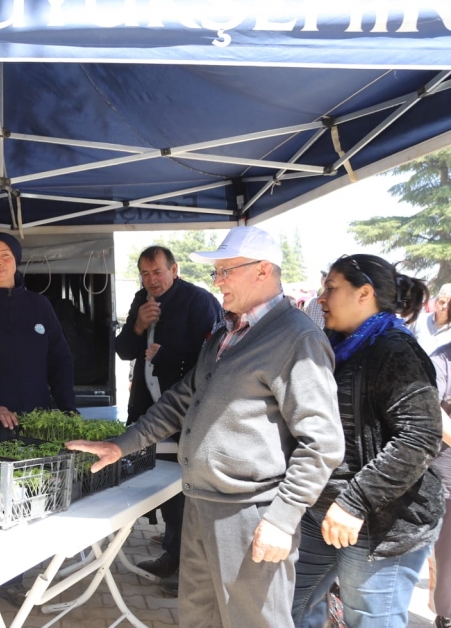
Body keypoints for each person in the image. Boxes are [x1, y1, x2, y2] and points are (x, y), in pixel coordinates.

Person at [68, 226, 344, 628]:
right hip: (199, 504)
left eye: (226, 271)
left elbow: (322, 443)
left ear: (263, 271)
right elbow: (180, 400)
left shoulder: (296, 337)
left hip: (250, 514)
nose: (217, 282)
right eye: (217, 272)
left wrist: (282, 519)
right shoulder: (227, 332)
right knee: (198, 617)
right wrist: (121, 445)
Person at [291, 255, 442, 628]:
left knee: (370, 620)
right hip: (321, 509)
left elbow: (420, 437)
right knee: (288, 606)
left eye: (331, 288)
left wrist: (354, 503)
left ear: (364, 293)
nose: (321, 298)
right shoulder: (338, 345)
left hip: (380, 523)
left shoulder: (394, 349)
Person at [113, 245, 221, 592]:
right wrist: (138, 325)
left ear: (174, 270)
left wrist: (168, 354)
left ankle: (186, 568)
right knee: (166, 486)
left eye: (157, 272)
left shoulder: (198, 301)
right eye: (145, 274)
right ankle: (173, 554)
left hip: (187, 413)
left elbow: (212, 356)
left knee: (186, 489)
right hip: (150, 412)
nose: (152, 280)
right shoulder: (140, 300)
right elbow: (123, 350)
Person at [0, 231, 76, 429]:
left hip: (34, 420)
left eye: (5, 255)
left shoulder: (39, 305)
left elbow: (60, 359)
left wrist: (68, 409)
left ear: (16, 259)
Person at [431, 341, 451, 628]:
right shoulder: (442, 359)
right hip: (445, 475)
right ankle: (446, 613)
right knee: (447, 552)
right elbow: (431, 408)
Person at [411, 283, 451, 354]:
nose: (445, 306)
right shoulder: (419, 320)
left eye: (449, 304)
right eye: (442, 302)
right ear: (436, 302)